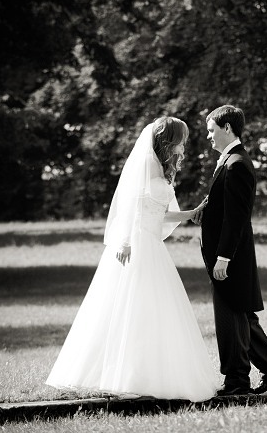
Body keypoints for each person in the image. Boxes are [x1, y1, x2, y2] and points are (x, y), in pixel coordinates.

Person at [46, 117, 218, 402]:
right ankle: (119, 375)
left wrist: (191, 213)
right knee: (128, 306)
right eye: (182, 138)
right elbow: (128, 208)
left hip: (153, 246)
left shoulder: (162, 171)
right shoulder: (144, 168)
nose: (185, 144)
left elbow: (159, 212)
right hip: (136, 245)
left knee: (154, 309)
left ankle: (147, 373)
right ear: (168, 140)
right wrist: (124, 241)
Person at [195, 104, 267, 396]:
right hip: (228, 255)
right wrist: (205, 210)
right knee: (244, 318)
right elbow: (225, 208)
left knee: (230, 321)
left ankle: (237, 381)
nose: (209, 137)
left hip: (230, 257)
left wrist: (223, 257)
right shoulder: (229, 160)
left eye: (212, 130)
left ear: (227, 128)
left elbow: (236, 218)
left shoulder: (236, 164)